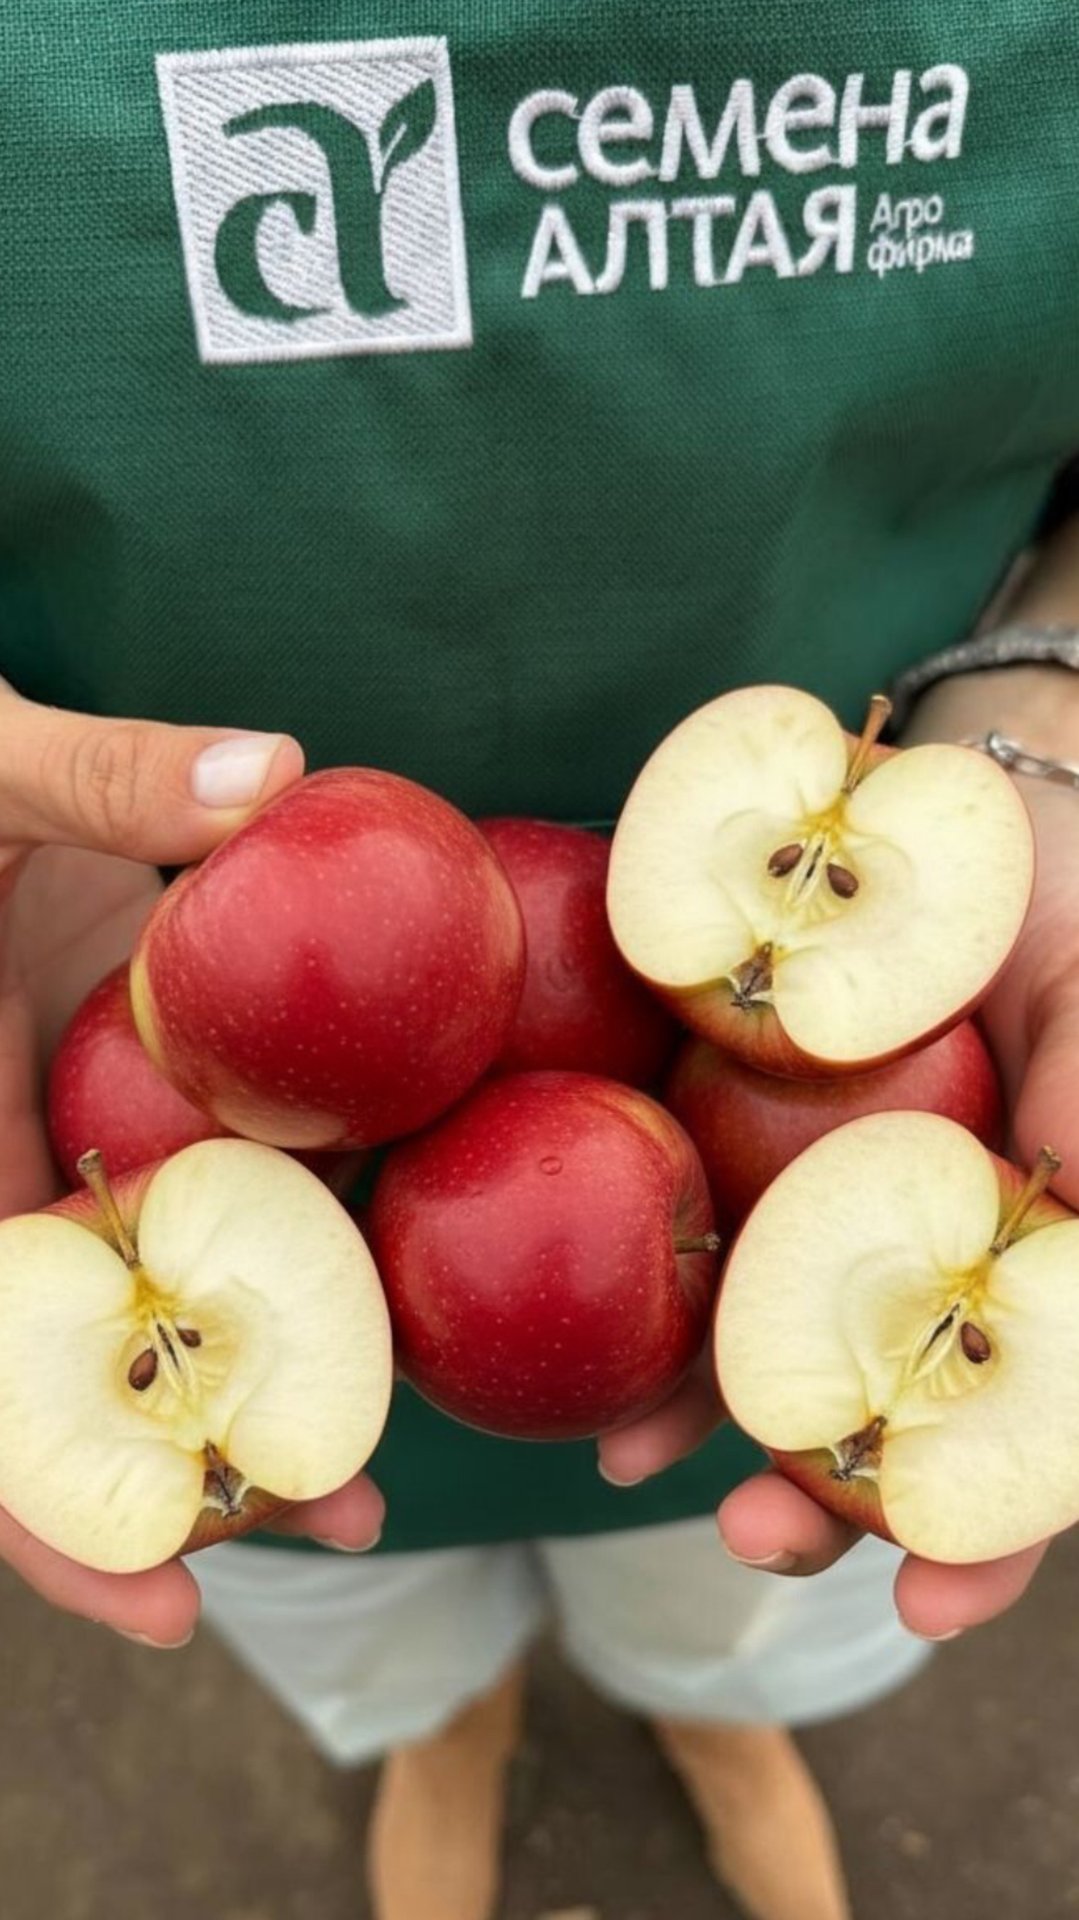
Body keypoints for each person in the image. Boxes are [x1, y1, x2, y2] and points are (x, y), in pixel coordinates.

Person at [2, 9, 1078, 1918]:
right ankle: (449, 1725)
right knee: (356, 1587)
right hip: (122, 1003)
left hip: (761, 1268)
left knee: (726, 1587)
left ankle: (709, 1714)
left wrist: (1050, 700)